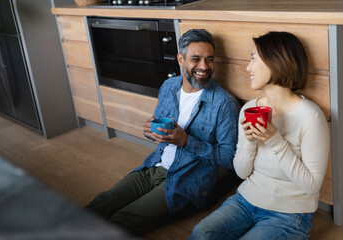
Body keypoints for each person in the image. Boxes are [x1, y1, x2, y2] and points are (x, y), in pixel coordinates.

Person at [85, 29, 239, 235]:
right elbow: (159, 133)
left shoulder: (224, 103)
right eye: (196, 59)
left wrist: (186, 142)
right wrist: (149, 130)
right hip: (153, 168)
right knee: (100, 204)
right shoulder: (168, 87)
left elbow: (231, 159)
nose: (204, 66)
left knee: (119, 222)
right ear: (180, 59)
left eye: (209, 59)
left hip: (186, 182)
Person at [189, 31, 330, 240]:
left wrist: (275, 141)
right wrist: (249, 140)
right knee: (201, 233)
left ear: (276, 61)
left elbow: (311, 185)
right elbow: (242, 172)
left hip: (289, 214)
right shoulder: (250, 109)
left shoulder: (310, 116)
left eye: (253, 58)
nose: (248, 67)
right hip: (245, 201)